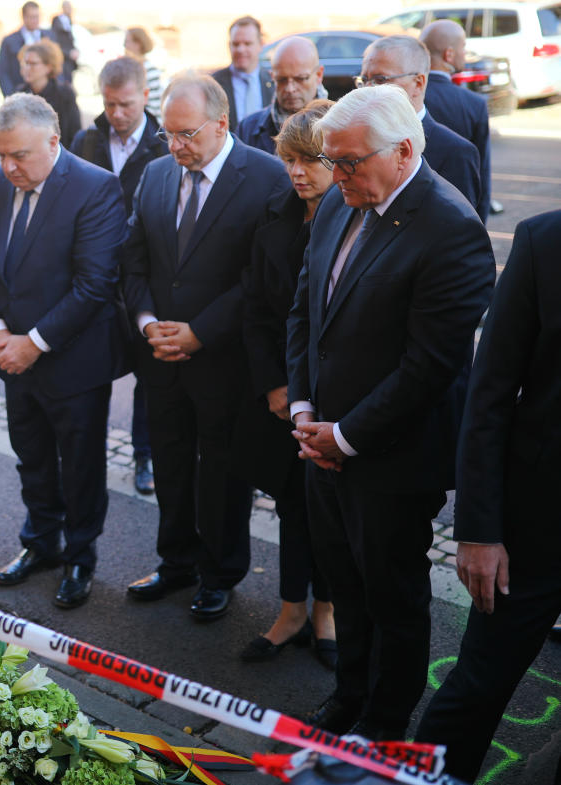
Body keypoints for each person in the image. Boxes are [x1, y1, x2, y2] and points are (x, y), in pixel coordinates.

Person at [286, 85, 495, 740]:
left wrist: (343, 436)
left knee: (393, 599)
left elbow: (429, 368)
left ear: (403, 150)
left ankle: (383, 725)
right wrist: (302, 406)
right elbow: (306, 312)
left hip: (390, 459)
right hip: (320, 440)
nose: (335, 175)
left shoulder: (451, 229)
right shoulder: (338, 202)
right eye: (332, 161)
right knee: (344, 584)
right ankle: (349, 696)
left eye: (348, 162)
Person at [120, 72, 291, 621]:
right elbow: (135, 257)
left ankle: (220, 571)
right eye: (168, 135)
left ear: (221, 124)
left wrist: (200, 332)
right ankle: (175, 562)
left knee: (221, 469)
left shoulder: (266, 177)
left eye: (187, 135)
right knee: (170, 463)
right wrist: (148, 322)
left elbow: (259, 279)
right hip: (161, 355)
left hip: (223, 359)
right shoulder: (154, 175)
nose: (176, 147)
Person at [414, 210, 561, 781]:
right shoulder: (544, 242)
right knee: (475, 688)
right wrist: (478, 528)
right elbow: (490, 392)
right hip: (538, 521)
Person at [0, 94, 126, 610]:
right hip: (11, 357)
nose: (9, 167)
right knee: (30, 456)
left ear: (53, 142)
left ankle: (80, 557)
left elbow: (94, 284)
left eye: (21, 156)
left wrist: (32, 344)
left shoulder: (94, 187)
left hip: (72, 360)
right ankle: (40, 543)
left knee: (79, 464)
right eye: (2, 154)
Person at [235, 100, 337, 667]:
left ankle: (326, 610)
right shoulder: (275, 212)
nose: (297, 171)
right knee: (292, 507)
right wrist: (274, 385)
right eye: (289, 159)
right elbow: (257, 310)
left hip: (334, 397)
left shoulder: (355, 213)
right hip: (282, 395)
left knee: (327, 508)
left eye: (309, 160)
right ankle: (290, 609)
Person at [70, 56, 168, 495]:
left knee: (149, 379)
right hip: (94, 284)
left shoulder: (165, 145)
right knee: (91, 372)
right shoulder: (87, 140)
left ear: (145, 97)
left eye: (125, 104)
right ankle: (86, 453)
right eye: (110, 105)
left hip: (144, 280)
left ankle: (144, 455)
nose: (117, 114)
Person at [358, 36, 483, 221]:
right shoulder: (359, 139)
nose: (368, 89)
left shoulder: (455, 152)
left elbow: (459, 231)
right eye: (363, 80)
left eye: (379, 79)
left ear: (418, 83)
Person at [421, 19, 491, 223]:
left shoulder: (406, 97)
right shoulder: (473, 104)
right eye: (464, 47)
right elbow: (482, 172)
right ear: (448, 54)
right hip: (459, 208)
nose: (465, 54)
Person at [235, 36, 325, 155]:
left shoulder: (340, 126)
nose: (290, 88)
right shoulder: (247, 129)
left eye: (300, 79)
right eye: (281, 80)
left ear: (319, 75)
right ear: (272, 77)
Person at [211, 17, 273, 131]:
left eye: (247, 43)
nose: (240, 49)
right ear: (229, 45)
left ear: (261, 44)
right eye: (236, 44)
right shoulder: (213, 85)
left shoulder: (273, 82)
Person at [15, 40, 81, 148]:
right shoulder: (19, 95)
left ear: (49, 67)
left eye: (33, 64)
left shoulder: (64, 94)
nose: (27, 68)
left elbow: (74, 135)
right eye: (25, 63)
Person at [0, 2, 54, 97]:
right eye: (31, 17)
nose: (35, 20)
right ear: (23, 17)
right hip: (20, 94)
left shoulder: (50, 36)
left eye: (37, 17)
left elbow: (56, 65)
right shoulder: (10, 41)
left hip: (49, 95)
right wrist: (10, 96)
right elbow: (3, 72)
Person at [123, 27, 164, 122]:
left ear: (138, 44)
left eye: (127, 41)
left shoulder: (150, 70)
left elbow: (154, 106)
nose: (124, 45)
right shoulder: (128, 68)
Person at [50, 1, 79, 83]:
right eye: (68, 8)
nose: (70, 10)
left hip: (69, 61)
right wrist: (67, 53)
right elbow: (55, 40)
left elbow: (70, 40)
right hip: (62, 58)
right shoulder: (57, 20)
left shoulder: (69, 20)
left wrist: (74, 50)